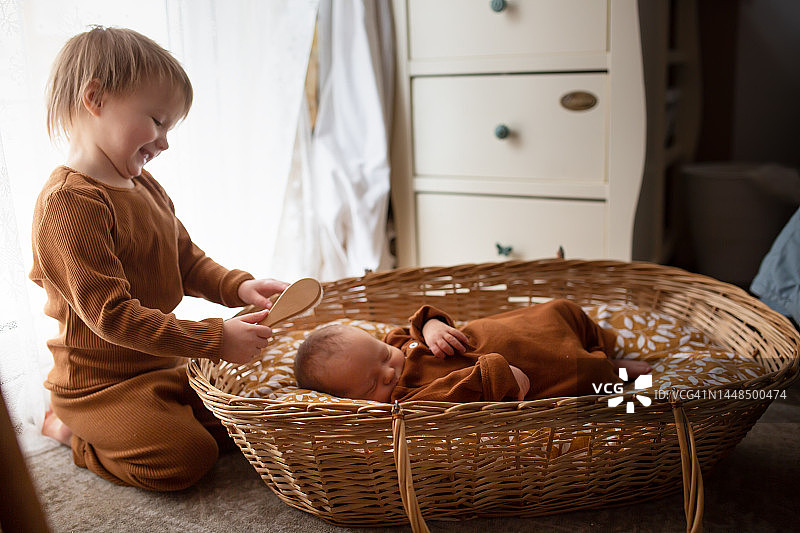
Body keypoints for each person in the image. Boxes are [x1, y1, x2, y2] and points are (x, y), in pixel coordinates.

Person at [31, 27, 289, 491]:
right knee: (186, 458)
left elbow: (186, 261)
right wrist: (213, 338)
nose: (165, 142)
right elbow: (112, 317)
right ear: (95, 99)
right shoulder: (68, 203)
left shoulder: (145, 187)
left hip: (160, 366)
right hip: (101, 387)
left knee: (249, 421)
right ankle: (73, 434)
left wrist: (239, 287)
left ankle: (160, 412)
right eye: (157, 121)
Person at [294, 299, 652, 403]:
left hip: (512, 330)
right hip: (522, 367)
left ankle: (601, 343)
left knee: (561, 309)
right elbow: (461, 392)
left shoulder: (395, 345)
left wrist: (432, 327)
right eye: (373, 385)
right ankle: (613, 366)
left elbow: (412, 325)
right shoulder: (409, 400)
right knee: (583, 372)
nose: (389, 370)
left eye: (382, 357)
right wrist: (497, 376)